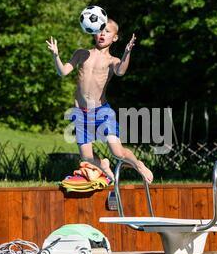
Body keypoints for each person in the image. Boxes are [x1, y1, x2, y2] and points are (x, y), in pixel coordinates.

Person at [46, 18, 153, 184]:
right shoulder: (81, 53)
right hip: (81, 112)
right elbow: (63, 72)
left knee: (117, 152)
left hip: (102, 111)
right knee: (87, 158)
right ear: (93, 32)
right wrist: (56, 56)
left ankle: (139, 165)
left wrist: (127, 52)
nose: (102, 34)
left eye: (107, 31)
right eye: (99, 30)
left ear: (115, 38)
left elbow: (120, 71)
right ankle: (104, 167)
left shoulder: (113, 60)